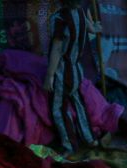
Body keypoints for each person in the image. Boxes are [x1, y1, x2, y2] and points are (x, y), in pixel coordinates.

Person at [44, 0, 101, 153]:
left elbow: (57, 49)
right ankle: (90, 138)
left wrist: (50, 75)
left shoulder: (60, 19)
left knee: (58, 108)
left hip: (62, 71)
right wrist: (96, 27)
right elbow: (92, 29)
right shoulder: (81, 14)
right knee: (78, 104)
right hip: (77, 69)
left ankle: (69, 144)